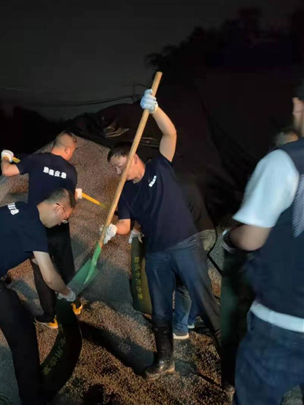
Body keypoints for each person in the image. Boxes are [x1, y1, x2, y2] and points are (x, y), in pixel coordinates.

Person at [102, 89, 221, 380]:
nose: (117, 172)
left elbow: (170, 134)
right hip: (156, 253)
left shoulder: (159, 166)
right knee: (159, 309)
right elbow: (126, 224)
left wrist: (155, 110)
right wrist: (114, 229)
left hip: (185, 244)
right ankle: (165, 359)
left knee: (205, 302)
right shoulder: (125, 192)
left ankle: (230, 371)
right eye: (114, 169)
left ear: (132, 158)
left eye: (118, 166)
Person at [222, 79, 304, 404]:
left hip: (281, 324)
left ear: (297, 105)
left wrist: (230, 237)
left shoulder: (284, 162)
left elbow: (251, 238)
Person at [0, 188, 77, 405]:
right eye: (65, 218)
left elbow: (28, 250)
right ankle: (32, 399)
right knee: (23, 330)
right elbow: (50, 278)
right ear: (58, 207)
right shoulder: (35, 227)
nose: (62, 223)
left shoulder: (23, 209)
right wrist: (68, 293)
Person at [0, 131, 82, 329]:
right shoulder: (70, 171)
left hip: (36, 225)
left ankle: (50, 316)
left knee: (40, 271)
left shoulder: (36, 160)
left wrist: (5, 156)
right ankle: (74, 303)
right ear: (68, 149)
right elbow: (68, 204)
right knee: (65, 265)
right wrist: (76, 197)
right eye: (73, 151)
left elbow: (7, 171)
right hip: (59, 226)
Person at [172, 174, 217, 339]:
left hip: (197, 235)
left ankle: (180, 328)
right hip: (209, 232)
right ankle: (190, 319)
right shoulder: (188, 182)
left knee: (183, 283)